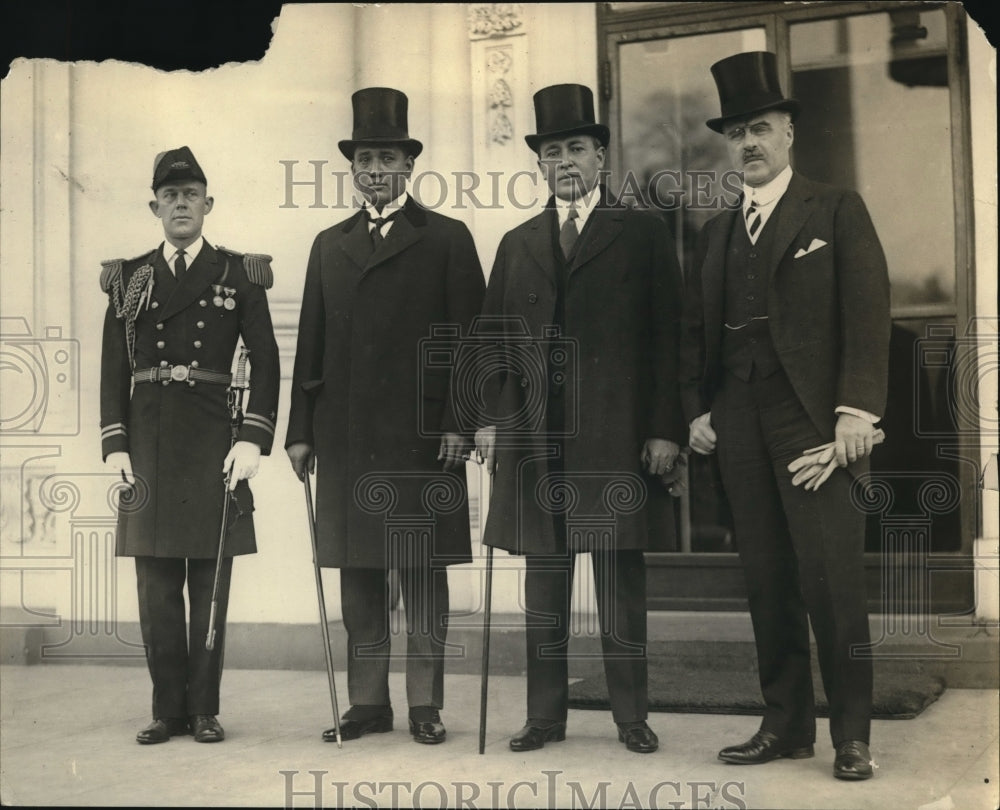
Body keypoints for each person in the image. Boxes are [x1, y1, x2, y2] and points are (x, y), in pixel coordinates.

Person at [680, 51, 891, 780]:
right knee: (765, 579)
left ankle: (853, 736)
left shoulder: (835, 209)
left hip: (813, 423)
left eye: (762, 128)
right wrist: (697, 411)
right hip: (738, 422)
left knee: (831, 579)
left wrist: (855, 413)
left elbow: (867, 317)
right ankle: (786, 724)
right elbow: (695, 334)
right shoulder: (713, 234)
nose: (750, 144)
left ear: (789, 133)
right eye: (737, 133)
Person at [475, 83, 685, 754]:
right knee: (544, 579)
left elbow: (669, 339)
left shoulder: (644, 235)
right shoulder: (517, 243)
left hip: (616, 436)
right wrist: (488, 419)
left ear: (601, 156)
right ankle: (545, 716)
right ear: (539, 163)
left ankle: (631, 714)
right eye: (553, 150)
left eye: (578, 148)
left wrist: (664, 428)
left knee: (620, 576)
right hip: (537, 439)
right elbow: (494, 343)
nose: (565, 160)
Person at [285, 87, 485, 745]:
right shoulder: (327, 244)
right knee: (359, 573)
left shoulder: (447, 239)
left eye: (388, 158)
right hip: (345, 437)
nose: (375, 169)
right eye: (365, 158)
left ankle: (425, 705)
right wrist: (299, 432)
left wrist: (461, 421)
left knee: (422, 573)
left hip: (424, 439)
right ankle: (367, 704)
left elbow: (474, 342)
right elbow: (309, 345)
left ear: (408, 165)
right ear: (354, 166)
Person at [100, 146, 280, 744]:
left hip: (213, 442)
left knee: (210, 578)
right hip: (147, 442)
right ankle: (166, 710)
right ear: (155, 207)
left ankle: (203, 708)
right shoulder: (128, 278)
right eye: (170, 196)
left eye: (191, 194)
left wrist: (253, 439)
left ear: (208, 204)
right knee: (155, 583)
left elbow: (269, 365)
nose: (181, 204)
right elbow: (111, 371)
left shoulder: (239, 274)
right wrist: (116, 445)